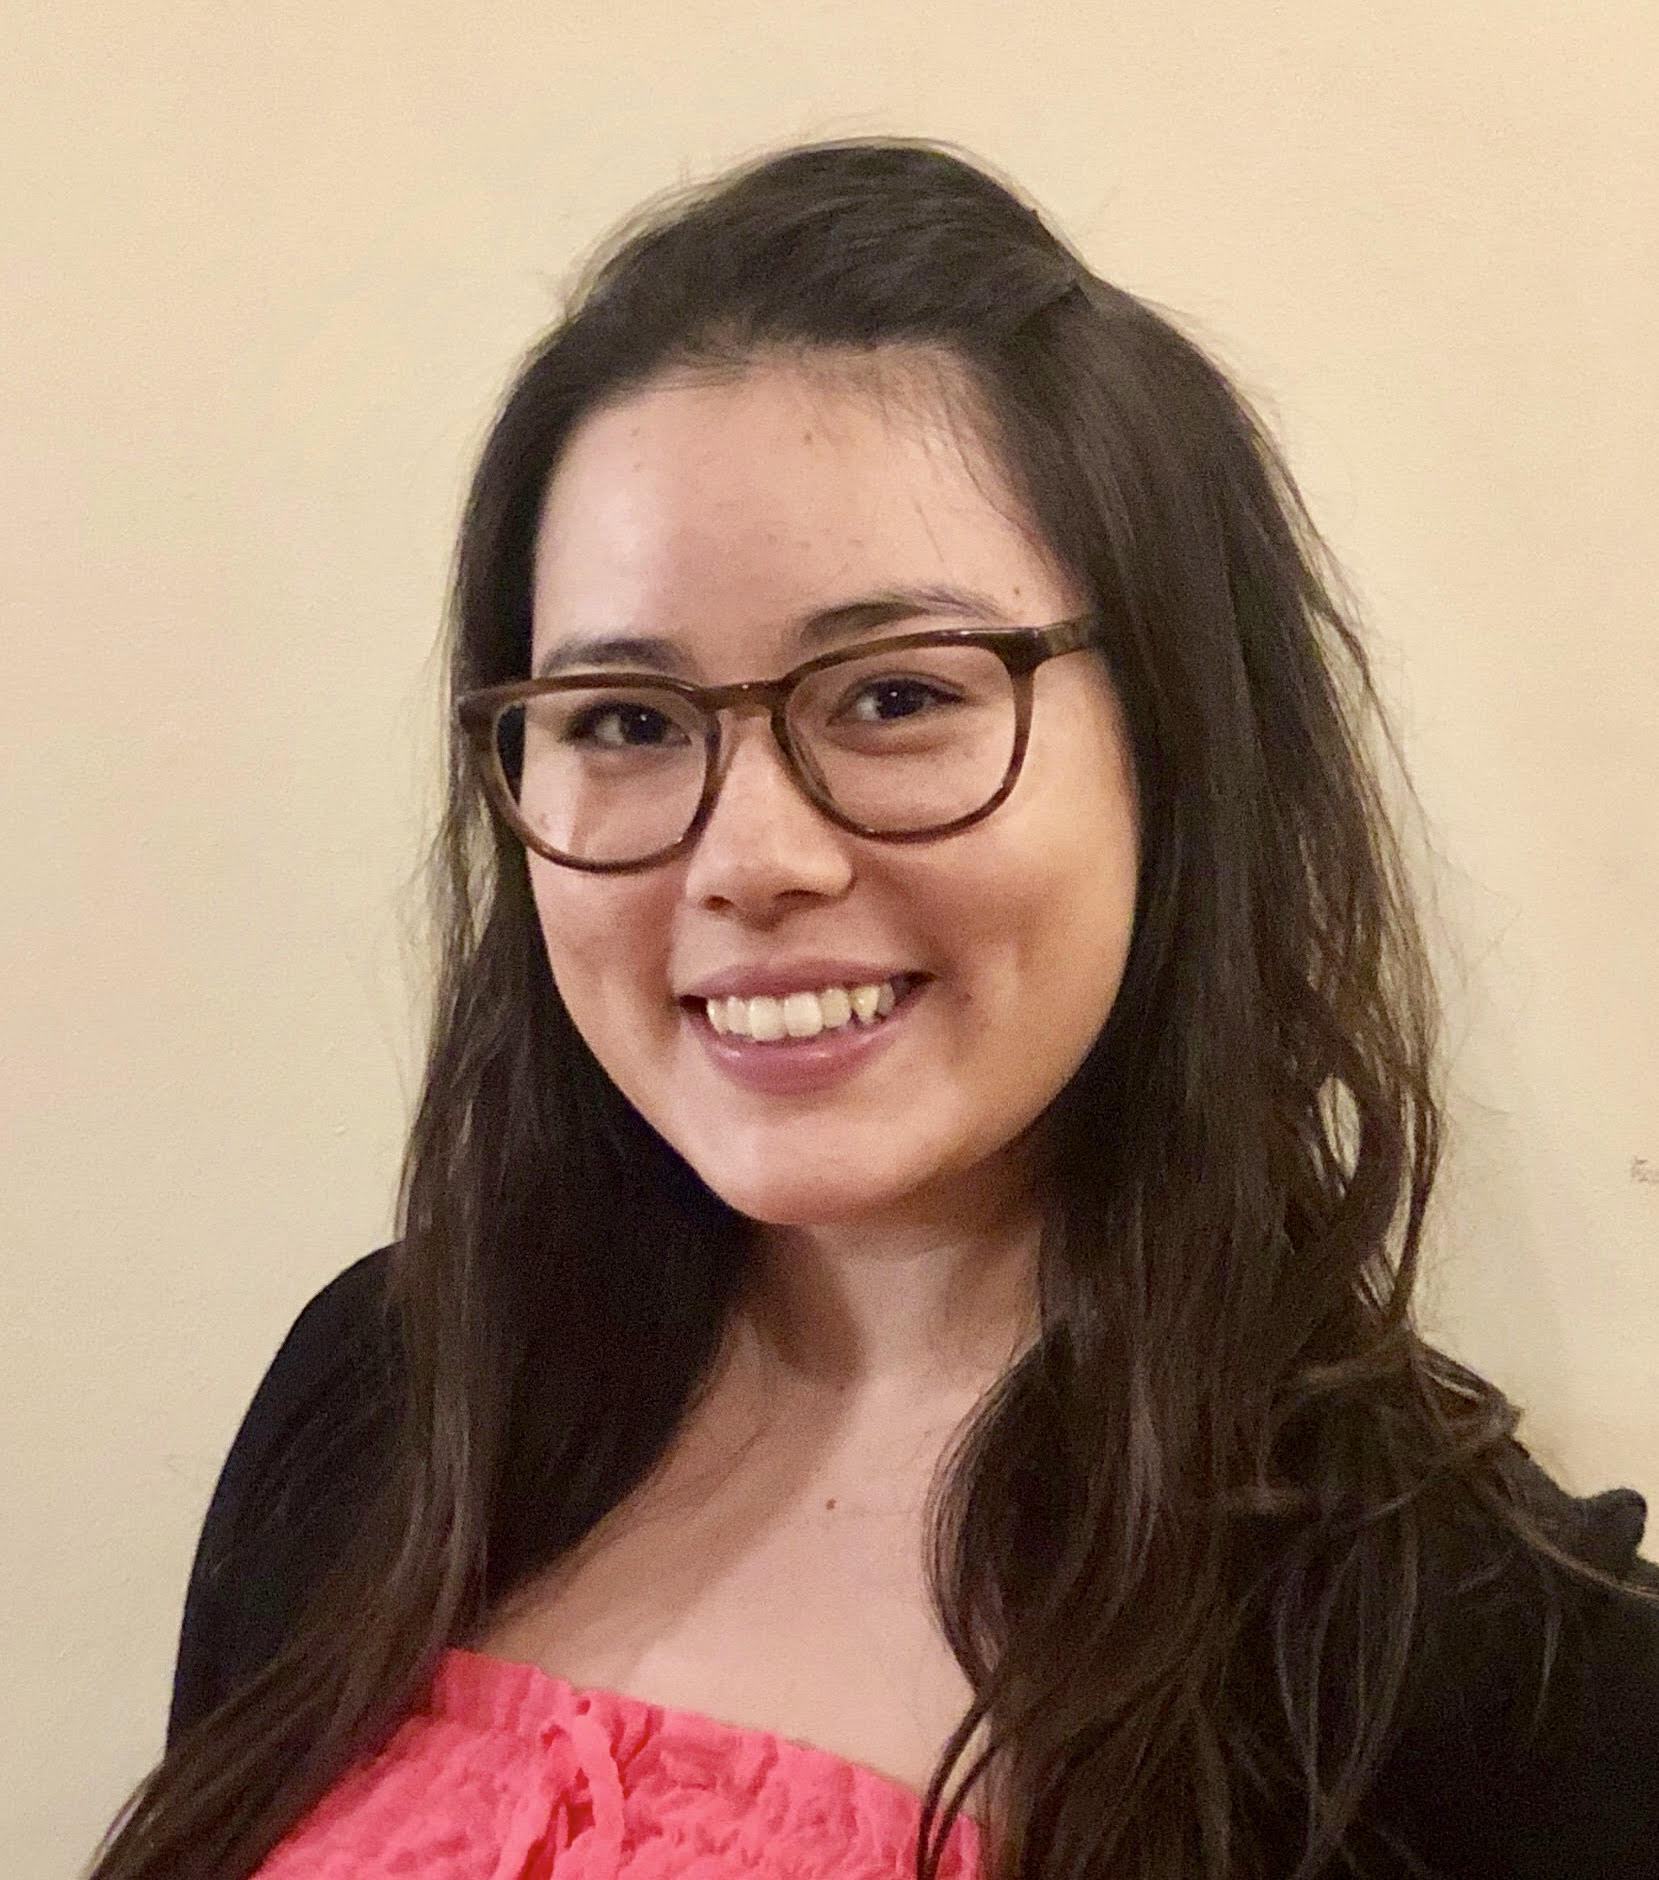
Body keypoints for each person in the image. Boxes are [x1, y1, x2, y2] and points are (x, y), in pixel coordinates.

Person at [88, 137, 1658, 1880]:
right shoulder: (388, 1402)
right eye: (624, 721)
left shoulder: (1499, 1687)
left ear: (1183, 751)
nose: (750, 859)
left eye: (898, 695)